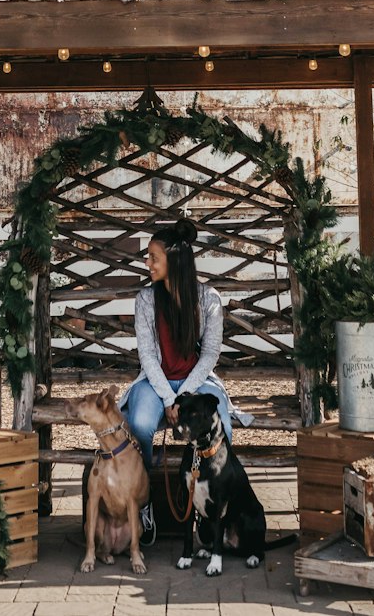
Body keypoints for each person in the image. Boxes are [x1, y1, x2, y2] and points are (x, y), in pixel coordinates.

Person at [119, 216, 247, 545]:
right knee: (141, 423)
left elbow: (210, 353)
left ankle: (218, 510)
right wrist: (167, 399)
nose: (147, 263)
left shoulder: (208, 299)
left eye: (153, 257)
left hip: (195, 380)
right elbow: (147, 355)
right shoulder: (145, 300)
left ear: (173, 261)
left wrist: (185, 394)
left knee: (223, 427)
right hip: (155, 380)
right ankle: (144, 503)